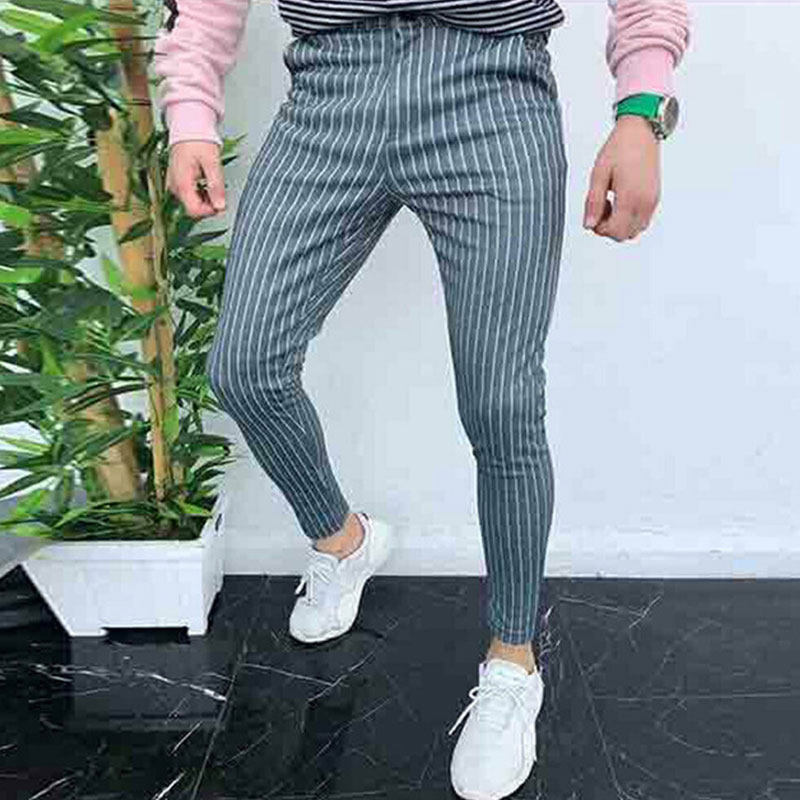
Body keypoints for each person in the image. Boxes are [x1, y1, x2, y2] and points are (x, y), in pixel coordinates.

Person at [154, 2, 691, 797]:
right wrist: (191, 112)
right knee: (244, 366)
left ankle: (513, 662)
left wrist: (642, 109)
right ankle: (343, 542)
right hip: (330, 92)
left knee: (502, 404)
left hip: (492, 92)